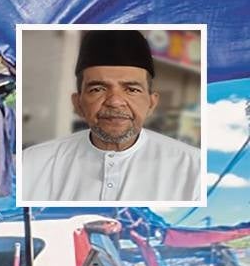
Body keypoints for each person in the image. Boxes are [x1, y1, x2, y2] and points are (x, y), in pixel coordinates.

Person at [22, 30, 200, 203]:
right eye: (97, 89)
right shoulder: (32, 163)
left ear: (151, 104)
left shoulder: (194, 167)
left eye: (132, 90)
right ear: (78, 104)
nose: (115, 101)